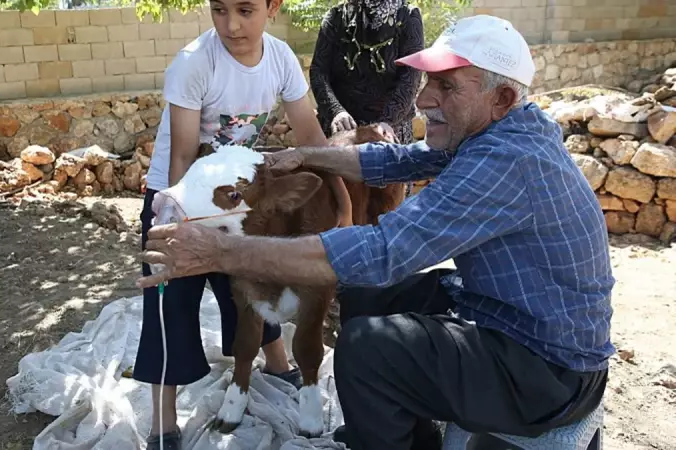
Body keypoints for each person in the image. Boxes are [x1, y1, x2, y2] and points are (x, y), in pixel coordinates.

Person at [137, 15, 615, 450]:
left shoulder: (502, 163)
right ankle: (396, 429)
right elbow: (397, 160)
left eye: (445, 87)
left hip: (547, 371)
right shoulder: (500, 128)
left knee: (367, 347)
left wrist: (223, 251)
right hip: (508, 315)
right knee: (366, 294)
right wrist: (310, 155)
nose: (425, 98)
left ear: (502, 97)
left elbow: (384, 248)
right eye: (429, 81)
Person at [136, 0, 353, 448]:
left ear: (273, 7)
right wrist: (181, 225)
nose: (231, 25)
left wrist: (344, 201)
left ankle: (276, 363)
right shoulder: (194, 63)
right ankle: (162, 421)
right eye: (218, 10)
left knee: (254, 286)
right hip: (182, 197)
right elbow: (182, 154)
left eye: (245, 10)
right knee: (169, 303)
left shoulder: (280, 59)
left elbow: (312, 139)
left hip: (237, 203)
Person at [310, 0, 424, 144]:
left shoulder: (408, 16)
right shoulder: (336, 17)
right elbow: (319, 71)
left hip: (389, 129)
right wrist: (336, 111)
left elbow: (411, 76)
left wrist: (386, 121)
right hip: (342, 128)